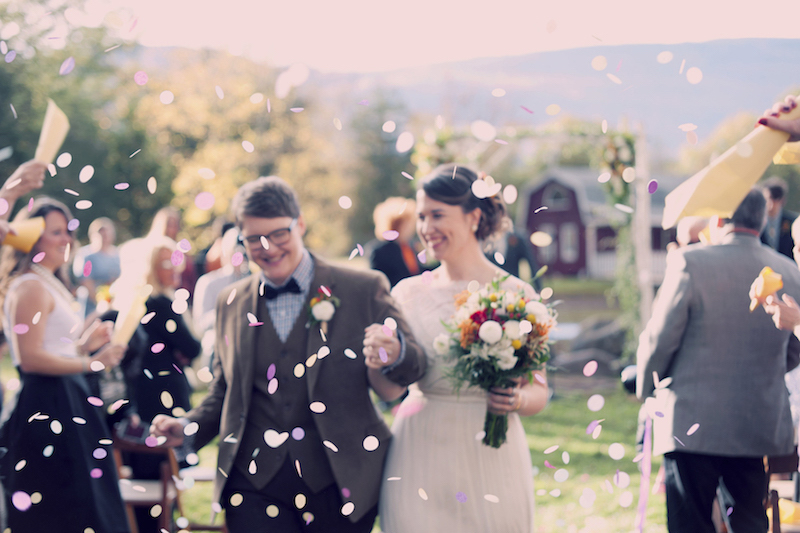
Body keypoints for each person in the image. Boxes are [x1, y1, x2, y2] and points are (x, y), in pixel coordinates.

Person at [150, 176, 426, 532]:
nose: (268, 247)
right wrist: (188, 427)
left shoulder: (363, 288)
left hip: (339, 482)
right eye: (253, 238)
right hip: (252, 484)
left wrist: (396, 352)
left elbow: (415, 362)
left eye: (279, 233)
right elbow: (224, 392)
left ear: (300, 225)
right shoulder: (230, 302)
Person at [378, 163, 549, 532]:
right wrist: (383, 358)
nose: (426, 228)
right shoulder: (406, 294)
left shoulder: (517, 294)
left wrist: (516, 401)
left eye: (438, 215)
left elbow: (539, 390)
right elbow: (388, 389)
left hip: (491, 453)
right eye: (422, 216)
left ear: (473, 217)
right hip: (418, 448)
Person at [636, 188, 800, 532]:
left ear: (719, 218)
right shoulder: (790, 270)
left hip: (692, 424)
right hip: (758, 424)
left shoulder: (690, 262)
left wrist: (645, 383)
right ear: (764, 219)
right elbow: (794, 351)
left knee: (690, 524)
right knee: (750, 522)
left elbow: (662, 338)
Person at [0, 197, 128, 532]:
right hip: (48, 405)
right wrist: (91, 363)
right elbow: (29, 359)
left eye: (67, 231)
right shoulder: (29, 285)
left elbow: (53, 347)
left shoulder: (48, 281)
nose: (66, 240)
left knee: (87, 504)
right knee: (65, 506)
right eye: (56, 232)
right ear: (31, 239)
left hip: (68, 400)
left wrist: (85, 344)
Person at [192, 226, 250, 370]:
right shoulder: (209, 282)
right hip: (218, 350)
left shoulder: (257, 282)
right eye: (236, 249)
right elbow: (200, 324)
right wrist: (229, 311)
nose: (241, 255)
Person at [366, 197, 425, 287]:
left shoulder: (410, 246)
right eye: (406, 224)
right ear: (396, 225)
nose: (411, 228)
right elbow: (376, 283)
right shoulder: (380, 251)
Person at [73, 217, 121, 316]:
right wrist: (101, 302)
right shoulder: (86, 255)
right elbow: (86, 281)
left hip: (114, 303)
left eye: (108, 231)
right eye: (101, 231)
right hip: (91, 304)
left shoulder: (117, 254)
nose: (105, 235)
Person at [485, 225, 543, 291]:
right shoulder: (486, 239)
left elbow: (531, 263)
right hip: (492, 289)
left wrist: (539, 288)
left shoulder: (517, 238)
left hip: (514, 289)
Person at [760, 176, 797, 258]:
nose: (771, 204)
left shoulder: (792, 222)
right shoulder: (756, 220)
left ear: (782, 200)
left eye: (775, 199)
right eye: (768, 199)